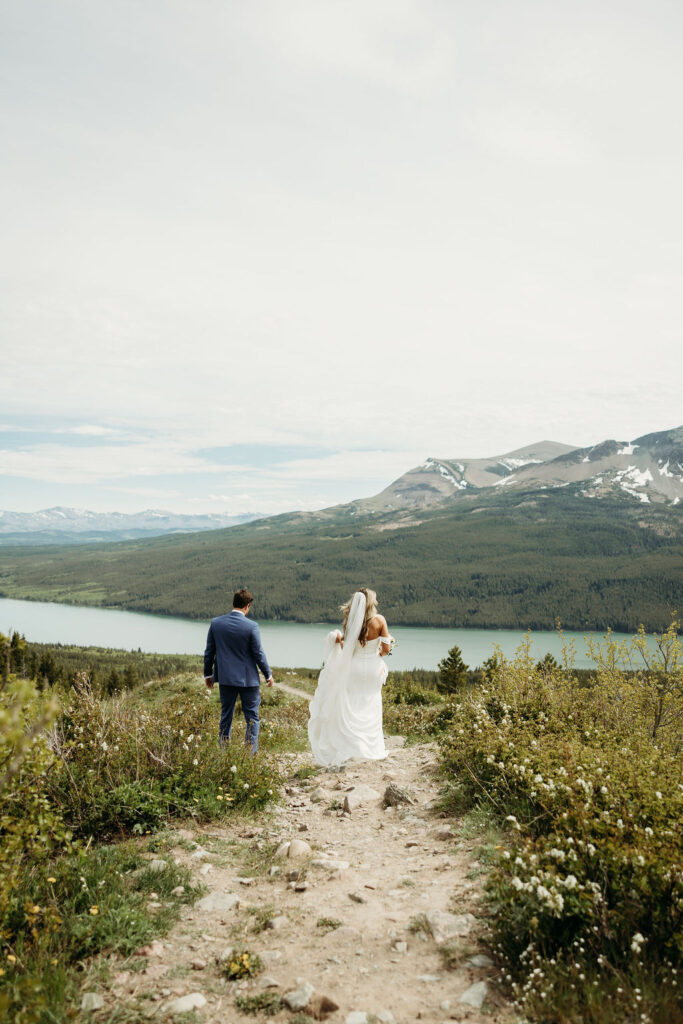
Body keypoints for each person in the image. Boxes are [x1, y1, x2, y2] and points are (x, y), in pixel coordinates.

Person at [308, 587, 394, 767]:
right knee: (371, 702)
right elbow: (386, 649)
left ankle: (352, 745)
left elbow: (349, 645)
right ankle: (372, 748)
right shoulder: (379, 621)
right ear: (372, 602)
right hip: (372, 667)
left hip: (353, 668)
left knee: (353, 704)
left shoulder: (350, 621)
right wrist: (376, 656)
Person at [203, 588, 274, 753]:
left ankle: (223, 752)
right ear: (247, 606)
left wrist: (208, 674)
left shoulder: (216, 623)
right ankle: (249, 755)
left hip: (226, 679)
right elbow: (258, 653)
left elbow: (209, 652)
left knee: (226, 715)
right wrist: (268, 674)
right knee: (252, 718)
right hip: (248, 680)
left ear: (233, 603)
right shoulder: (252, 626)